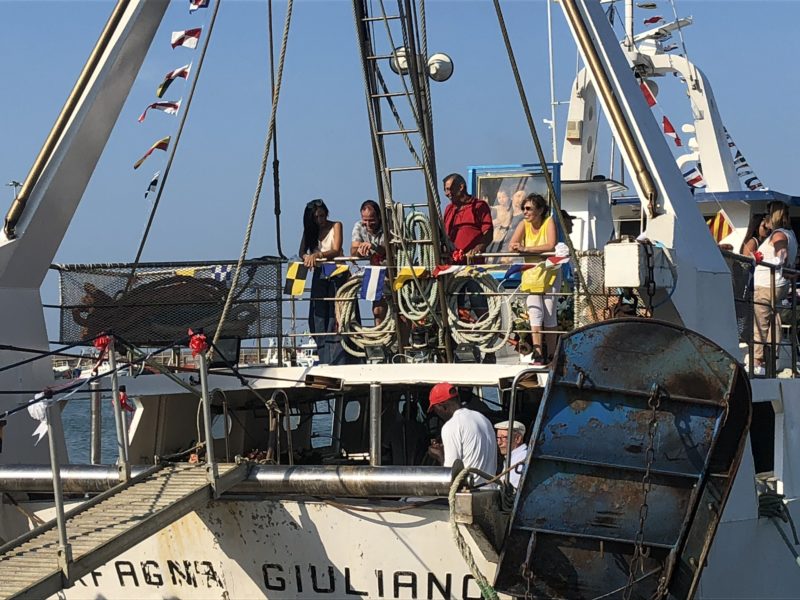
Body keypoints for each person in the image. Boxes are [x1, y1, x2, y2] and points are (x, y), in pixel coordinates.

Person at [509, 193, 559, 364]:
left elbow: (551, 245)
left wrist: (526, 249)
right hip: (532, 274)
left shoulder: (548, 221)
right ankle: (538, 354)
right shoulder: (524, 224)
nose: (525, 212)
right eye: (523, 208)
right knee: (535, 313)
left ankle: (551, 355)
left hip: (550, 273)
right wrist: (518, 247)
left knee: (549, 314)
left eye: (529, 208)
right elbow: (512, 245)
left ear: (540, 210)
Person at [300, 199, 347, 365]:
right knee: (317, 315)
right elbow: (301, 251)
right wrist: (307, 257)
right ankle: (323, 353)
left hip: (336, 271)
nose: (320, 220)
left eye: (322, 215)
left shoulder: (336, 225)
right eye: (316, 217)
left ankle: (337, 356)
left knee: (335, 315)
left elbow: (336, 249)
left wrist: (318, 255)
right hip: (319, 272)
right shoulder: (310, 231)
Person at [752, 201, 797, 376]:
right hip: (778, 285)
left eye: (767, 216)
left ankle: (757, 362)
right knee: (774, 321)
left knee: (760, 323)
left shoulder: (778, 235)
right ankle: (771, 359)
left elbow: (781, 254)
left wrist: (766, 260)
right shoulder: (790, 234)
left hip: (767, 284)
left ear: (773, 216)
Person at [426, 382, 497, 482]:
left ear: (442, 406)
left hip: (471, 489)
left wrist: (440, 455)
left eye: (435, 409)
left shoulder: (451, 426)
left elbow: (451, 475)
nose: (436, 414)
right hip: (490, 487)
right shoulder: (483, 419)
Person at [442, 173, 493, 263]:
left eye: (449, 189)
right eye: (445, 190)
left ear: (461, 187)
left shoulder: (479, 206)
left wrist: (478, 248)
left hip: (472, 263)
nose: (447, 193)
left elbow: (488, 233)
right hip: (451, 263)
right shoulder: (449, 209)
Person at [351, 200, 387, 324]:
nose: (368, 224)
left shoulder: (388, 226)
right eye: (365, 220)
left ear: (379, 217)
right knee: (377, 310)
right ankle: (380, 333)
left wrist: (373, 246)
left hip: (392, 269)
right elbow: (353, 250)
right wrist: (360, 250)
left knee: (399, 309)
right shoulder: (359, 226)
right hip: (374, 270)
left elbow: (387, 249)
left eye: (371, 220)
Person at [495, 420, 528, 489]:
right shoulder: (514, 458)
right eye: (498, 438)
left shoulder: (522, 458)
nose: (499, 443)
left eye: (503, 438)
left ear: (518, 439)